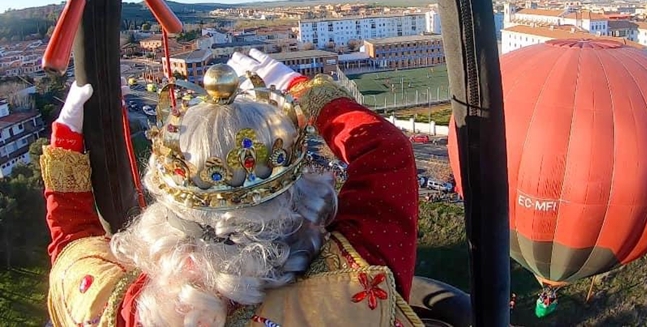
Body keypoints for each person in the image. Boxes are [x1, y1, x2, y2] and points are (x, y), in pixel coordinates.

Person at [41, 50, 422, 326]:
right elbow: (387, 154)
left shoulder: (117, 309)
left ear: (167, 211)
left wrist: (64, 144)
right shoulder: (352, 284)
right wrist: (300, 88)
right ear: (294, 196)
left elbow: (73, 246)